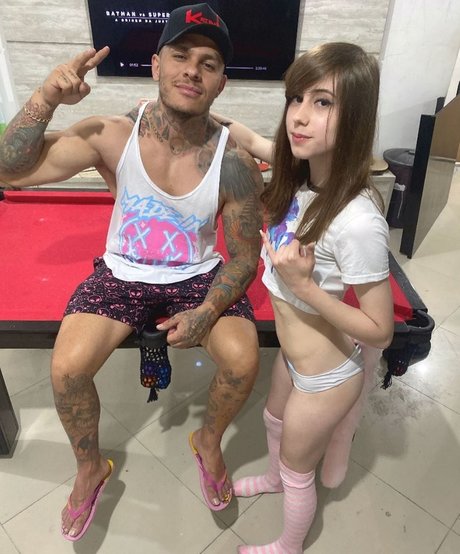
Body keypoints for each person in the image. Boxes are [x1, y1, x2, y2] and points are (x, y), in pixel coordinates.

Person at [0, 2, 264, 541]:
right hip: (122, 271)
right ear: (156, 65)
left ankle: (208, 442)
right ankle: (89, 468)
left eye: (209, 63)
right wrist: (46, 97)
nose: (192, 70)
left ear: (221, 84)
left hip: (197, 275)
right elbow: (11, 169)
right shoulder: (112, 134)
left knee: (243, 361)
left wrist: (207, 310)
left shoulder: (233, 161)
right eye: (181, 56)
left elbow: (243, 256)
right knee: (66, 369)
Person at [215, 42, 394, 553]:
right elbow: (250, 138)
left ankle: (288, 545)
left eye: (323, 102)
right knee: (272, 420)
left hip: (326, 378)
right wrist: (195, 115)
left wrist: (304, 287)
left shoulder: (358, 221)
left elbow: (381, 331)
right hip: (294, 358)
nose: (299, 116)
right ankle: (273, 478)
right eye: (296, 98)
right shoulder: (304, 174)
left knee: (300, 470)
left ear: (355, 115)